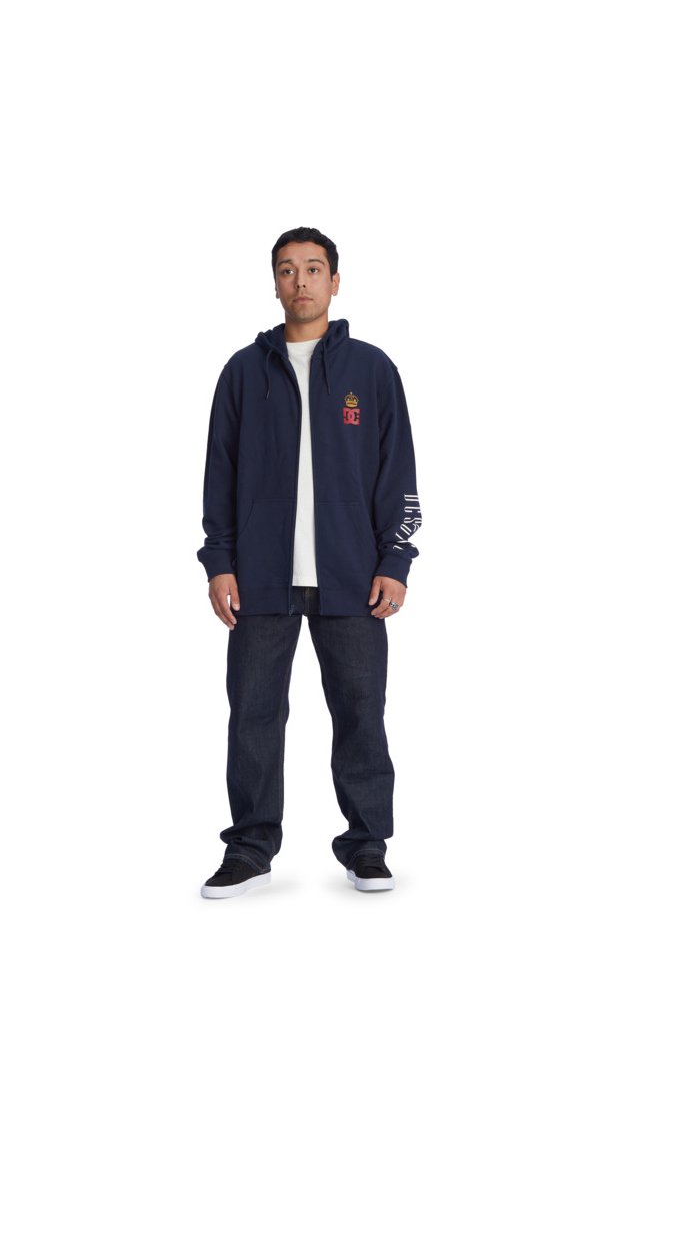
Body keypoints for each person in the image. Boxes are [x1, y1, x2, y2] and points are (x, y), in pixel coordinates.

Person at [196, 226, 422, 899]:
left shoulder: (371, 370)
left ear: (335, 281)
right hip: (259, 577)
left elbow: (399, 473)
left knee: (361, 714)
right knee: (253, 717)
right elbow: (219, 475)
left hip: (353, 577)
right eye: (288, 269)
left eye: (314, 268)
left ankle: (367, 845)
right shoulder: (243, 372)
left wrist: (396, 559)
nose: (301, 281)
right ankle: (250, 847)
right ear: (274, 283)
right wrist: (219, 560)